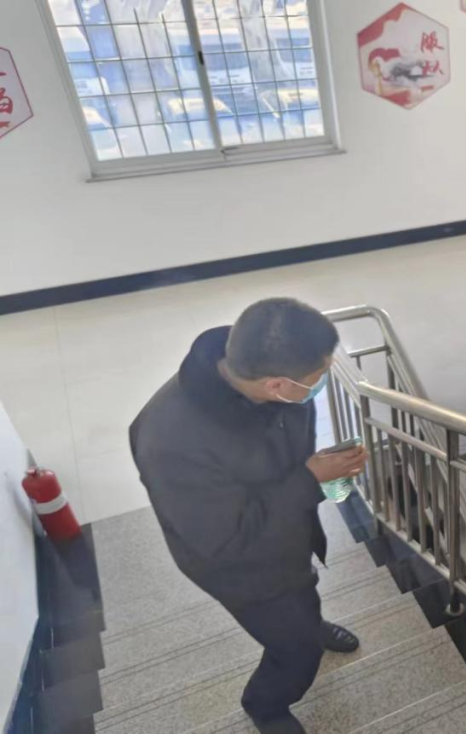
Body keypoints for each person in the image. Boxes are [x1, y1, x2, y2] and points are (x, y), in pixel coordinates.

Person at [130, 298, 369, 734]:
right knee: (295, 651)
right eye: (316, 378)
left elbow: (283, 457)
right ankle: (265, 704)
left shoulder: (274, 382)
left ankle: (311, 625)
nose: (320, 385)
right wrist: (309, 480)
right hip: (241, 570)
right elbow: (224, 541)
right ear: (276, 384)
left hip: (287, 539)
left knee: (305, 595)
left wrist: (317, 472)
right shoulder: (169, 440)